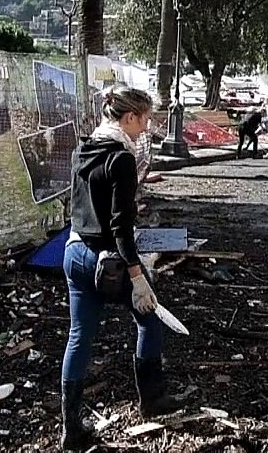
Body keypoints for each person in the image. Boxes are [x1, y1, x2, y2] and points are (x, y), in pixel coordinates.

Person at [61, 86, 185, 450]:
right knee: (148, 318)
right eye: (144, 120)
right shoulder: (122, 159)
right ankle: (153, 398)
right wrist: (138, 277)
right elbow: (120, 227)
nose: (145, 128)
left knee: (79, 336)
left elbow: (81, 207)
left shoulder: (82, 148)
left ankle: (71, 426)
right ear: (129, 117)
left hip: (73, 253)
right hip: (111, 261)